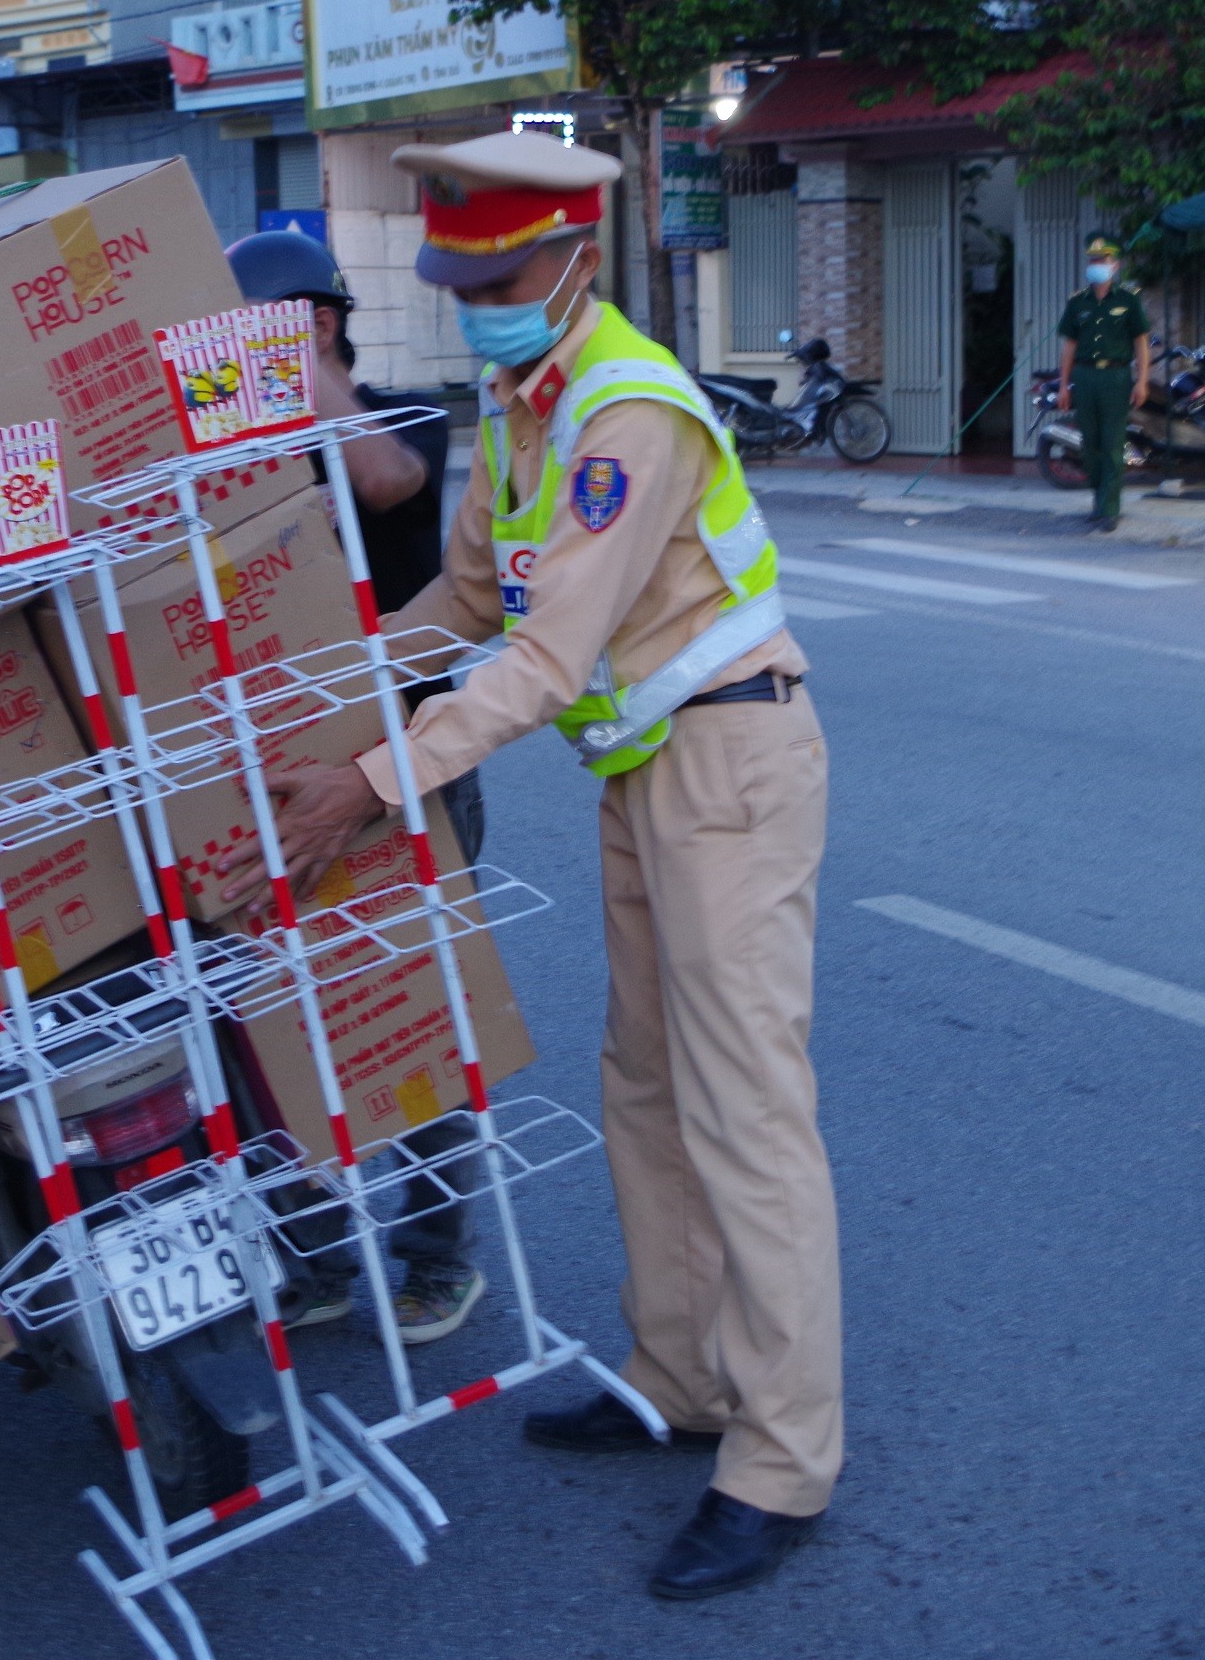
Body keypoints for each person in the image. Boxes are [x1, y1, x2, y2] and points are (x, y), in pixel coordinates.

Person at [218, 131, 839, 1603]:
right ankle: (678, 1379)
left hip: (733, 764)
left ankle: (782, 1458)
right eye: (455, 278)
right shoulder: (522, 401)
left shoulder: (628, 412)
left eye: (493, 276)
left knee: (747, 1113)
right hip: (647, 775)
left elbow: (548, 653)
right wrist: (335, 689)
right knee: (646, 1088)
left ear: (571, 259)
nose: (471, 300)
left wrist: (372, 783)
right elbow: (469, 591)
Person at [220, 226, 488, 1346]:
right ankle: (315, 1256)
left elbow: (386, 481)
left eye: (251, 331)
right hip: (281, 768)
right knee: (270, 1017)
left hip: (403, 766)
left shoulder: (401, 416)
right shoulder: (234, 452)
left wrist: (305, 369)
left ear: (318, 325)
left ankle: (433, 1255)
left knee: (414, 1010)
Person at [1056, 233, 1153, 532]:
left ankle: (1110, 508)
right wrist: (1063, 384)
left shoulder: (1128, 299)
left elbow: (1141, 342)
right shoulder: (1077, 302)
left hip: (1116, 376)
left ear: (1115, 264)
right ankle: (1098, 501)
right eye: (1093, 260)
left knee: (1112, 443)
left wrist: (1142, 381)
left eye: (1103, 260)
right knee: (1089, 444)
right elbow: (1069, 346)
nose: (1097, 264)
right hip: (1085, 377)